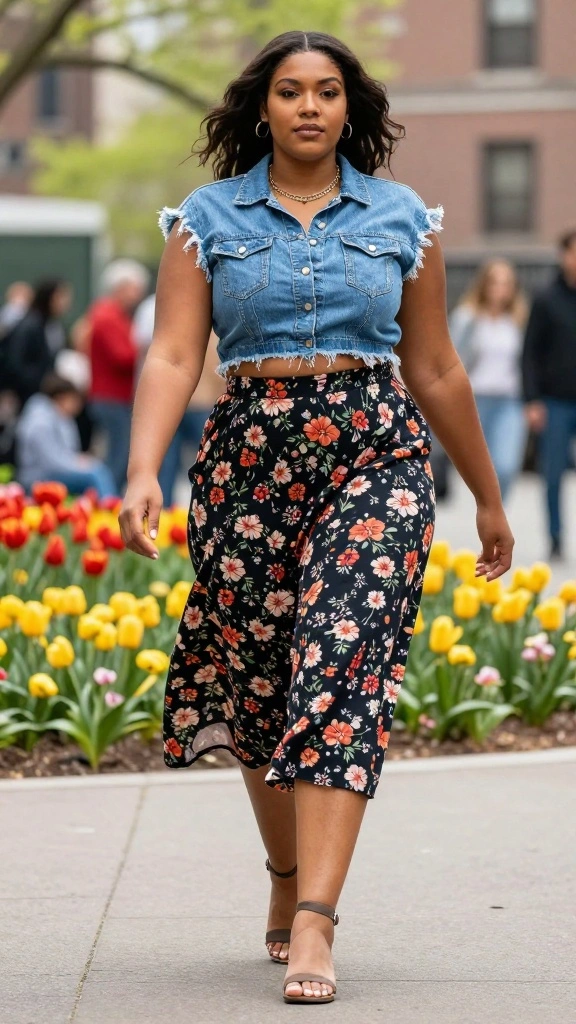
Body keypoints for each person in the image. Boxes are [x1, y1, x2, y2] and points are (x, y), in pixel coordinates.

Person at [119, 31, 514, 1006]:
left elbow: (434, 368)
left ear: (349, 107)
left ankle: (316, 919)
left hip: (373, 451)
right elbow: (172, 357)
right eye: (290, 91)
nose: (308, 106)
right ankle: (287, 873)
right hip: (248, 457)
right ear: (263, 107)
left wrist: (490, 495)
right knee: (259, 688)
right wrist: (141, 470)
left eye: (327, 91)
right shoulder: (204, 220)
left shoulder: (403, 219)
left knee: (340, 666)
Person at [133, 291, 226, 505]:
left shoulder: (161, 313)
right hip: (200, 401)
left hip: (175, 401)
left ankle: (163, 515)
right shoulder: (215, 318)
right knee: (209, 466)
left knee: (168, 466)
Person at [449, 260, 528, 503]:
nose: (501, 288)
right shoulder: (467, 318)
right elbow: (452, 358)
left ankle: (495, 512)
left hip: (510, 401)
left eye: (507, 283)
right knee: (481, 470)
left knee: (506, 466)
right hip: (476, 401)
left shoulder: (518, 320)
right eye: (495, 281)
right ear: (484, 284)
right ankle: (488, 514)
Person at [521, 229, 576, 560]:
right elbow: (529, 354)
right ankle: (555, 538)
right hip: (554, 403)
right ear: (563, 256)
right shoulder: (545, 299)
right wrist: (532, 400)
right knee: (553, 475)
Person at [87, 259, 150, 496]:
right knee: (118, 454)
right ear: (120, 288)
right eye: (135, 289)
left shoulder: (113, 315)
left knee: (119, 452)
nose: (138, 295)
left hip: (113, 397)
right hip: (110, 397)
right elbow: (123, 357)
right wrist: (144, 348)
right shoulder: (108, 316)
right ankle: (107, 499)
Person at [15, 373, 116, 497]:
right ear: (61, 398)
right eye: (74, 400)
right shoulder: (40, 423)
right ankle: (110, 508)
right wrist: (80, 464)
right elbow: (52, 462)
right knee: (96, 474)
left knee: (97, 469)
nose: (77, 406)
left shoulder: (59, 417)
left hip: (51, 472)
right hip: (38, 478)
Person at [1, 279, 72, 407]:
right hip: (26, 397)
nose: (65, 302)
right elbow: (15, 362)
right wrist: (42, 382)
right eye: (61, 297)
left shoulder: (53, 326)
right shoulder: (30, 325)